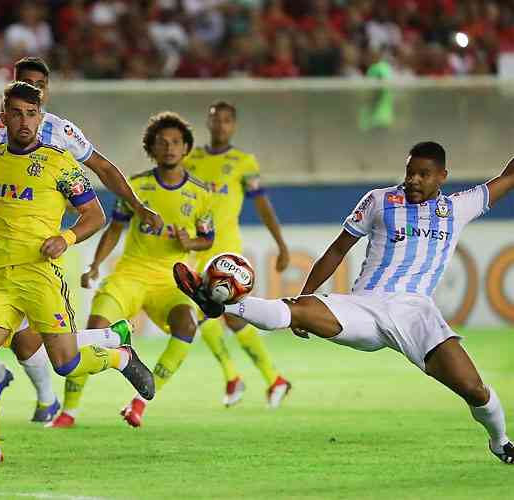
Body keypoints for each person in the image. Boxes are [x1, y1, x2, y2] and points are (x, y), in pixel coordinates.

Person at [174, 141, 514, 464]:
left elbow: (509, 176)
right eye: (410, 171)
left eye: (423, 174)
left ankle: (500, 442)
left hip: (416, 313)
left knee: (474, 389)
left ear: (442, 176)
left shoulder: (457, 207)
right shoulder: (379, 201)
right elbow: (338, 250)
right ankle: (221, 306)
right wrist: (308, 293)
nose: (413, 179)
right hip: (363, 307)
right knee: (295, 308)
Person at [0, 82, 155, 463]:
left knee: (66, 363)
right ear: (3, 116)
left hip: (41, 275)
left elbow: (95, 215)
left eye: (31, 114)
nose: (24, 121)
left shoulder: (59, 162)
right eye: (16, 113)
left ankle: (119, 356)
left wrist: (66, 238)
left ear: (40, 116)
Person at [49, 112, 213, 428]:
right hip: (130, 275)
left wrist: (189, 243)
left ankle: (140, 402)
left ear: (186, 148)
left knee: (187, 326)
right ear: (151, 148)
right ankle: (68, 411)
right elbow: (115, 229)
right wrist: (95, 264)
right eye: (162, 142)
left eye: (176, 142)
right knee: (94, 327)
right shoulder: (136, 187)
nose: (169, 148)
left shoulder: (201, 193)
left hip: (171, 281)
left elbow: (207, 239)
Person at [183, 101, 292, 408]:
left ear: (234, 126)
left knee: (210, 314)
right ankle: (271, 379)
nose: (221, 126)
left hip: (226, 252)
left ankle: (242, 377)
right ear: (208, 122)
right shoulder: (191, 159)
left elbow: (262, 204)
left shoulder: (244, 162)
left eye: (227, 121)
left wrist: (281, 245)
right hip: (195, 247)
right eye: (216, 120)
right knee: (216, 317)